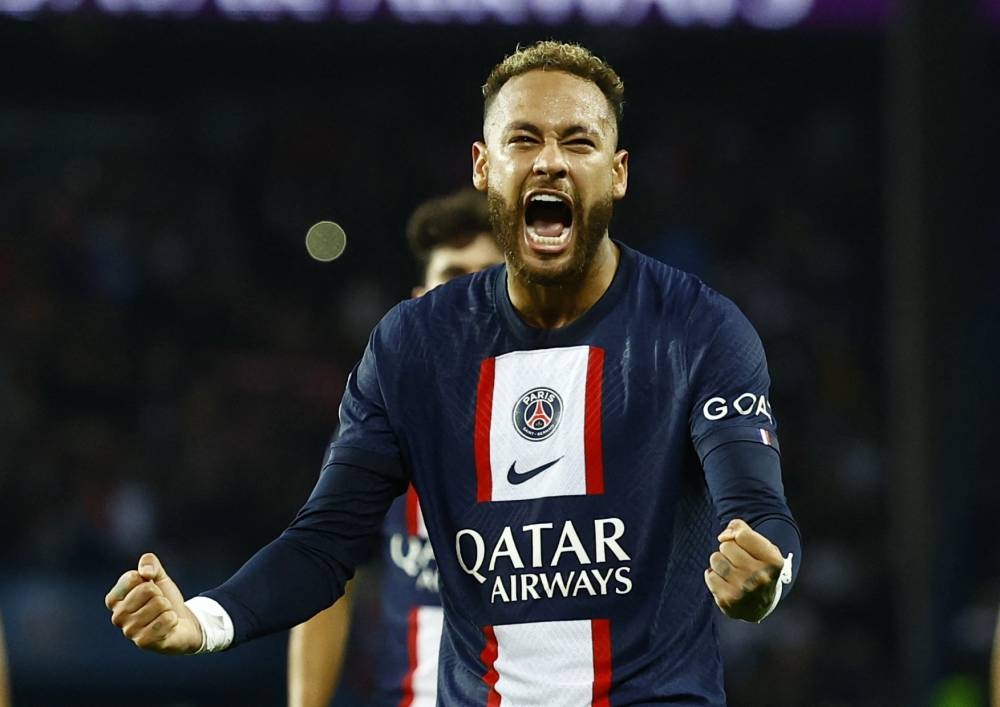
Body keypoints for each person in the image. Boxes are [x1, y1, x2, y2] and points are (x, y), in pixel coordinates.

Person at [106, 40, 802, 705]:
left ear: (617, 172)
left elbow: (759, 510)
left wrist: (765, 580)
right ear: (482, 166)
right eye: (523, 139)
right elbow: (323, 541)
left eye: (579, 141)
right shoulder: (415, 346)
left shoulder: (699, 330)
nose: (550, 162)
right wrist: (204, 621)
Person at [287, 187, 503, 707]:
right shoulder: (375, 428)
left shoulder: (581, 416)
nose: (466, 296)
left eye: (489, 278)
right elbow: (324, 579)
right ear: (417, 302)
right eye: (452, 277)